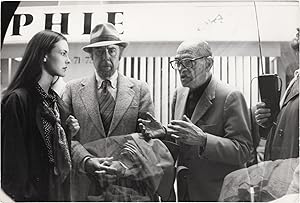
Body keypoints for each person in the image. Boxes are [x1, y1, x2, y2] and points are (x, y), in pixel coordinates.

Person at [139, 40, 253, 201]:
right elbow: (183, 141)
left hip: (221, 194)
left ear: (208, 64)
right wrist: (165, 133)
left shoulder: (230, 96)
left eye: (188, 62)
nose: (180, 69)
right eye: (177, 63)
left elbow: (243, 150)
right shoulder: (179, 95)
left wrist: (204, 140)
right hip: (186, 192)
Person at [62, 23, 156, 201]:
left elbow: (148, 138)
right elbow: (65, 137)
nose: (106, 57)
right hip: (85, 186)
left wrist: (122, 165)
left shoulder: (140, 89)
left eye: (111, 51)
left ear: (120, 53)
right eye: (99, 52)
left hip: (127, 187)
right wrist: (86, 161)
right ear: (90, 56)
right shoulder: (72, 89)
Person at [1, 30, 80, 201]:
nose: (68, 60)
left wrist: (67, 133)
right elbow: (12, 166)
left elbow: (55, 158)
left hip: (57, 194)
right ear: (44, 55)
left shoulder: (57, 104)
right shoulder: (18, 100)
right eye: (63, 53)